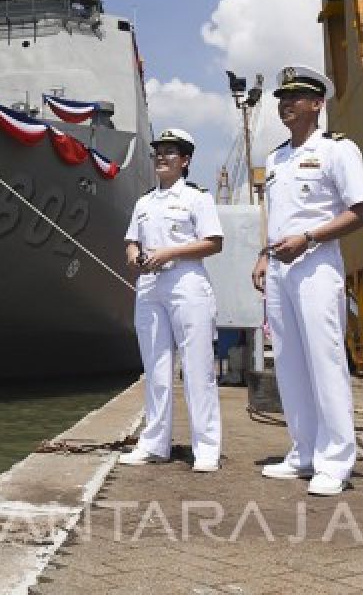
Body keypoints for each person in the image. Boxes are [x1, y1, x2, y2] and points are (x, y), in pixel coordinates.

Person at [251, 66, 363, 496]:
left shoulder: (339, 151)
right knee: (288, 361)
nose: (286, 103)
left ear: (317, 103)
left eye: (296, 96)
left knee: (325, 362)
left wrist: (308, 238)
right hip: (281, 268)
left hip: (317, 263)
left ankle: (336, 459)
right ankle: (303, 451)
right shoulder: (276, 158)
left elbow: (362, 210)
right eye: (282, 97)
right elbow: (276, 215)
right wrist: (262, 256)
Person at [119, 128, 224, 472]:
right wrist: (135, 256)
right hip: (150, 286)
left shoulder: (197, 197)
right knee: (156, 369)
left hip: (186, 281)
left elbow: (213, 243)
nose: (161, 158)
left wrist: (170, 252)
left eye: (170, 152)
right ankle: (154, 444)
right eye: (158, 152)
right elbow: (132, 242)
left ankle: (206, 448)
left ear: (186, 160)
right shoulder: (144, 202)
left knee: (197, 368)